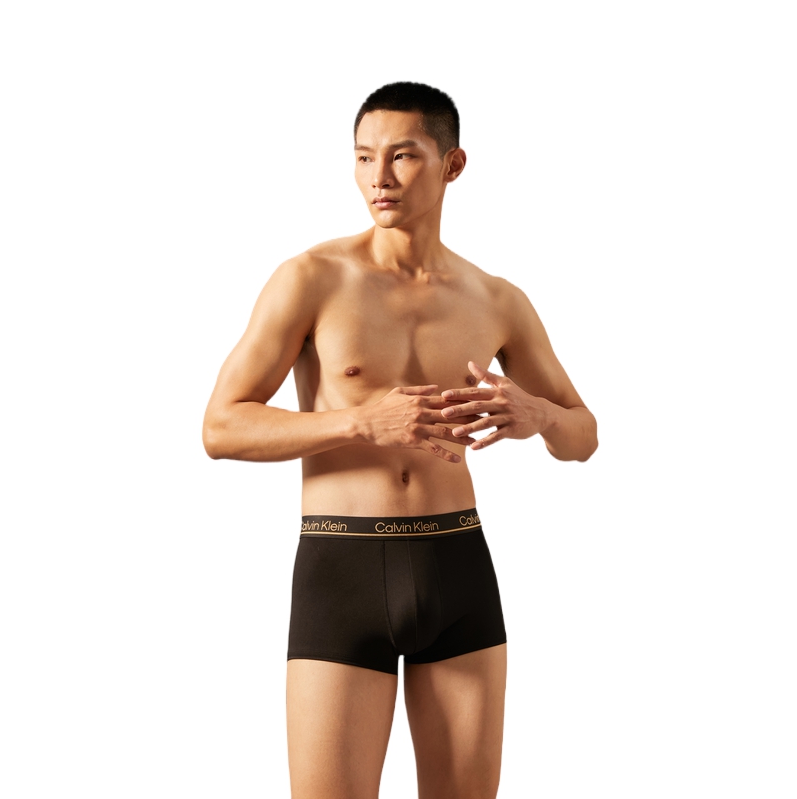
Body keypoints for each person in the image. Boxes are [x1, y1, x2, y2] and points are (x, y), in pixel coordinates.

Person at [203, 81, 597, 799]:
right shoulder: (312, 279)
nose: (378, 177)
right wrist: (359, 422)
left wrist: (538, 416)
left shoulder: (497, 299)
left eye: (402, 156)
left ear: (452, 164)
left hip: (457, 564)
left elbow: (584, 435)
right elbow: (221, 426)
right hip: (341, 568)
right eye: (363, 157)